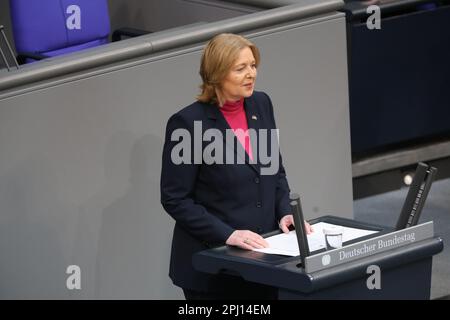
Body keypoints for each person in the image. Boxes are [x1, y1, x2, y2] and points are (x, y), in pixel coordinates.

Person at [160, 33, 313, 300]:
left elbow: (273, 171)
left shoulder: (261, 104)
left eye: (253, 66)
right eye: (240, 68)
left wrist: (285, 212)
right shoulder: (188, 124)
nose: (251, 74)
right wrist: (228, 234)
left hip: (263, 260)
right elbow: (175, 199)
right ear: (217, 74)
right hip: (213, 267)